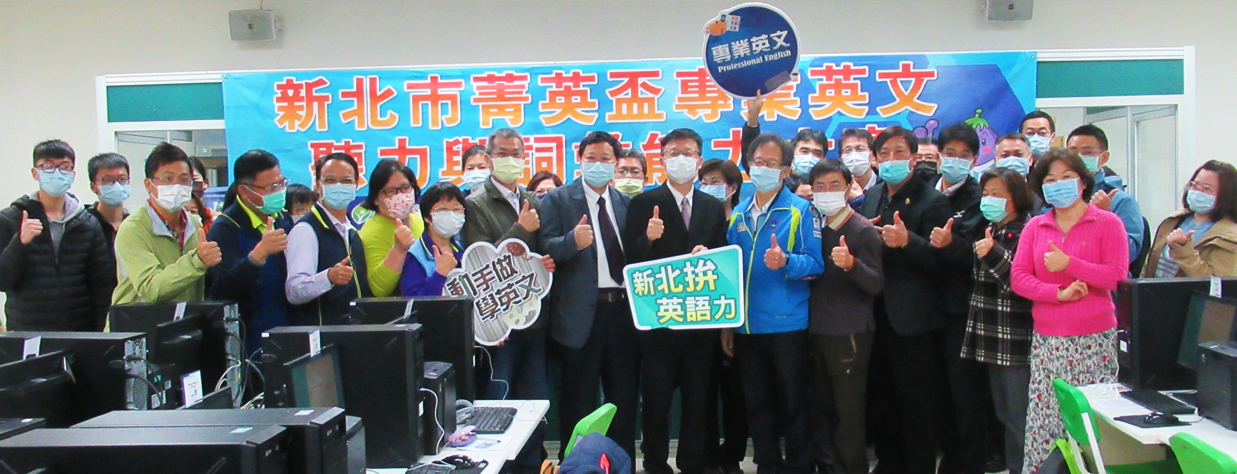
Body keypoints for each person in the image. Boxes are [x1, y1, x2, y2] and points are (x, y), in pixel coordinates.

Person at [1011, 148, 1127, 473]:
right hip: (1048, 342)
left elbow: (1118, 276)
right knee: (1046, 422)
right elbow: (1019, 278)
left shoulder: (1107, 222)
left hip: (1095, 342)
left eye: (1066, 177)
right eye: (1050, 180)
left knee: (1092, 425)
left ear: (1083, 182)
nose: (1058, 184)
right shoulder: (1036, 226)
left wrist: (1070, 264)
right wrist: (1058, 294)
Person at [621, 128, 729, 474]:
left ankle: (692, 463)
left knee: (698, 402)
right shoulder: (643, 203)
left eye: (688, 152)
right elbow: (629, 260)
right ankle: (655, 464)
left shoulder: (713, 206)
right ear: (662, 159)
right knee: (656, 402)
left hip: (700, 322)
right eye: (673, 152)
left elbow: (725, 260)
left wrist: (709, 256)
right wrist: (649, 239)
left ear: (699, 160)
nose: (681, 159)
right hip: (659, 322)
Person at [724, 132, 824, 474]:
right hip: (747, 326)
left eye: (771, 163)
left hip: (787, 325)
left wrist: (787, 262)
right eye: (758, 162)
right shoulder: (738, 214)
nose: (763, 168)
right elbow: (730, 270)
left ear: (785, 170)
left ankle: (800, 466)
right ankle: (767, 464)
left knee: (794, 403)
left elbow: (816, 264)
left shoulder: (801, 210)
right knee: (757, 404)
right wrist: (729, 323)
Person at [461, 128, 557, 473]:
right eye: (502, 153)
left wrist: (547, 261)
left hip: (534, 319)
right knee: (498, 402)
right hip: (499, 327)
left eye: (516, 153)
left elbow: (541, 250)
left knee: (535, 402)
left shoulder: (535, 199)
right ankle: (498, 467)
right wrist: (520, 227)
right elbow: (480, 263)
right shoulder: (474, 204)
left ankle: (531, 466)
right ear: (489, 159)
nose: (510, 160)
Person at [539, 131, 639, 462]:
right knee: (578, 403)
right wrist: (572, 241)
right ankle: (577, 466)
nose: (598, 164)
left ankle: (622, 465)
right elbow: (544, 248)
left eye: (605, 158)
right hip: (579, 317)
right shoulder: (558, 200)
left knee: (623, 400)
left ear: (616, 162)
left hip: (622, 314)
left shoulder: (626, 203)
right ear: (579, 160)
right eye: (591, 158)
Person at [856, 126, 951, 474]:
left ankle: (919, 466)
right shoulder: (873, 195)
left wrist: (907, 241)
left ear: (913, 157)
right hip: (874, 313)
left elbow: (940, 263)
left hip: (913, 319)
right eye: (884, 153)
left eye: (899, 152)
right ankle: (889, 462)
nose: (891, 159)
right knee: (881, 397)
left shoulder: (933, 200)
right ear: (875, 158)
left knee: (917, 401)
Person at [805, 159, 884, 474]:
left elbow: (876, 283)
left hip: (850, 334)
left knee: (848, 413)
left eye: (834, 185)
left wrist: (852, 265)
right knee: (823, 409)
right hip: (816, 330)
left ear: (849, 187)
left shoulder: (862, 229)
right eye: (820, 186)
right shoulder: (812, 227)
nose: (827, 192)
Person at [960, 167, 1036, 474]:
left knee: (1019, 416)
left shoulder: (1028, 230)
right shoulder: (992, 229)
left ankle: (1025, 468)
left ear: (1016, 197)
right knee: (1004, 413)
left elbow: (1020, 283)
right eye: (986, 193)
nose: (989, 199)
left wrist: (992, 253)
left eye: (997, 194)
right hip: (991, 334)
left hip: (1014, 337)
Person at [0, 140, 115, 332]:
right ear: (35, 173)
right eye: (48, 166)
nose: (57, 173)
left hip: (79, 329)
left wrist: (101, 332)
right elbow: (3, 281)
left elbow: (102, 285)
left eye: (64, 167)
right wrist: (20, 242)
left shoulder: (87, 223)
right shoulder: (10, 219)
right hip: (27, 330)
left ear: (72, 175)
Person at [926, 123, 987, 474]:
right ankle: (948, 456)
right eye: (950, 153)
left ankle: (969, 463)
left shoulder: (979, 199)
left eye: (964, 155)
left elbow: (976, 255)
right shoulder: (924, 191)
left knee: (963, 392)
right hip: (923, 308)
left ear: (974, 160)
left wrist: (951, 245)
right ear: (939, 155)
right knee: (935, 391)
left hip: (960, 309)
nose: (955, 160)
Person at [113, 142, 222, 305]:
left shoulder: (193, 224)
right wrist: (197, 261)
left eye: (184, 179)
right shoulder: (133, 229)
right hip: (138, 319)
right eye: (167, 178)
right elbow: (151, 289)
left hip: (182, 318)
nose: (176, 186)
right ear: (149, 184)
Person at [207, 149, 294, 353]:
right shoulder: (225, 228)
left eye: (281, 184)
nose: (279, 192)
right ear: (244, 191)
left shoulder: (282, 217)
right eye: (270, 187)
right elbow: (223, 289)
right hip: (250, 338)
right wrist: (258, 255)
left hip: (287, 329)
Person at [696, 157, 748, 474]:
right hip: (702, 318)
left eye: (716, 182)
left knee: (735, 394)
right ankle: (706, 456)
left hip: (738, 319)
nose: (709, 188)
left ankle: (731, 457)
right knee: (703, 393)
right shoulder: (699, 217)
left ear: (733, 186)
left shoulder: (743, 219)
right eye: (705, 182)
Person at [284, 153, 370, 326]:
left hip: (353, 331)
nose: (339, 186)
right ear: (318, 185)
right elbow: (294, 291)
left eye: (346, 181)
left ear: (356, 185)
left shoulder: (351, 230)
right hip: (322, 334)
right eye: (330, 180)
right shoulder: (306, 230)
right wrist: (328, 277)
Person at [1066, 125, 1146, 270]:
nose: (1078, 158)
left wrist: (1104, 218)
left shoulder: (1121, 201)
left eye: (1087, 152)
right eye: (1072, 152)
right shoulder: (1059, 196)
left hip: (1102, 278)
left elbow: (1129, 253)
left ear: (1104, 157)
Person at [1143, 160, 1237, 278]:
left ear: (1226, 195)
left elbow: (1216, 283)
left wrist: (1183, 250)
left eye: (1207, 189)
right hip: (1153, 289)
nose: (1198, 192)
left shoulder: (1229, 237)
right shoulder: (1174, 220)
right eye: (1194, 185)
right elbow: (1149, 265)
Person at [358, 159, 424, 297]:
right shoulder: (372, 232)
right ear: (376, 198)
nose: (400, 196)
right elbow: (379, 289)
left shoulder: (418, 221)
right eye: (390, 191)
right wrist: (398, 249)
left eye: (405, 187)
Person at [401, 182, 465, 296]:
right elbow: (412, 301)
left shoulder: (462, 248)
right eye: (443, 209)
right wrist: (440, 274)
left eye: (456, 209)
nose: (451, 214)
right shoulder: (414, 255)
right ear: (427, 216)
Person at [85, 152, 131, 247]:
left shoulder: (134, 225)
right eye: (108, 180)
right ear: (93, 186)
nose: (117, 185)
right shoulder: (84, 223)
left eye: (122, 179)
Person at [839, 129, 880, 210]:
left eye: (860, 149)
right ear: (841, 158)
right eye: (848, 150)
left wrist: (859, 200)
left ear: (872, 155)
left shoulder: (887, 186)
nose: (854, 155)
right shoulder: (836, 188)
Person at [187, 156, 216, 235]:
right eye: (184, 180)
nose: (189, 187)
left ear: (205, 183)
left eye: (194, 181)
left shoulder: (215, 221)